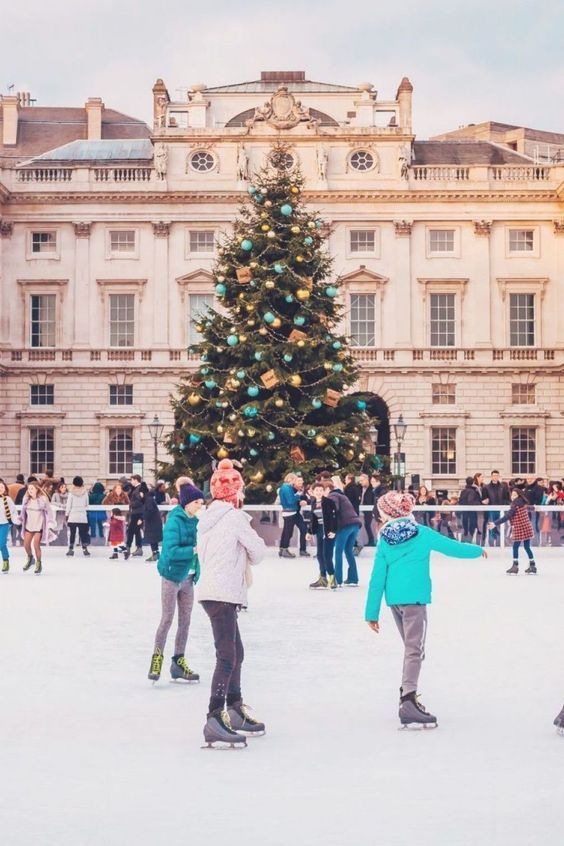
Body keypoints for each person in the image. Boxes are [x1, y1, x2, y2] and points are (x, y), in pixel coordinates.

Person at [365, 490, 485, 729]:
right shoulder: (421, 533)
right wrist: (476, 550)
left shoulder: (384, 538)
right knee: (414, 650)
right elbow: (452, 547)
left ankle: (406, 694)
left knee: (412, 649)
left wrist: (371, 612)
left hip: (395, 601)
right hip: (414, 600)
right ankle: (408, 700)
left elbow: (377, 577)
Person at [197, 459, 267, 748]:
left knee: (237, 651)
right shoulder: (235, 517)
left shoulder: (207, 518)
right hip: (224, 592)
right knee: (227, 656)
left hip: (212, 591)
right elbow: (259, 552)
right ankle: (215, 716)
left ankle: (236, 708)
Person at [148, 483, 205, 684]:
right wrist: (194, 551)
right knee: (167, 619)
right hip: (172, 577)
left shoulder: (196, 521)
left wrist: (197, 566)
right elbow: (171, 551)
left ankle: (178, 662)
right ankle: (157, 659)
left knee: (185, 621)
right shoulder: (174, 521)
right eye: (197, 502)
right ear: (187, 503)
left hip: (188, 579)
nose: (200, 505)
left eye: (201, 502)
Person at [489, 488, 536, 574]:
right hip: (527, 527)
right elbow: (530, 507)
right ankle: (532, 565)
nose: (512, 496)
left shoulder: (514, 505)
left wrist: (495, 523)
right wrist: (534, 507)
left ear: (518, 495)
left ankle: (515, 566)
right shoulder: (523, 503)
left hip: (519, 528)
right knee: (527, 547)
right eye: (512, 494)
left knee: (515, 547)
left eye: (514, 495)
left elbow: (506, 516)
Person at [324, 484, 362, 586]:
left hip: (345, 526)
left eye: (323, 490)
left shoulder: (332, 495)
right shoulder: (342, 495)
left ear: (328, 489)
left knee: (338, 552)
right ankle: (353, 578)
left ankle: (338, 579)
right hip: (355, 524)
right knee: (348, 551)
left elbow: (334, 508)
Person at [304, 480, 337, 589]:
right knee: (319, 555)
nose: (319, 492)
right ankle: (323, 578)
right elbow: (313, 519)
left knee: (326, 555)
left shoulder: (328, 502)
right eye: (316, 490)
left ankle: (332, 578)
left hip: (328, 531)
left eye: (321, 490)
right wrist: (309, 532)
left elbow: (335, 517)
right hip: (319, 530)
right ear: (312, 492)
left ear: (324, 491)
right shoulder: (313, 502)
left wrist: (333, 531)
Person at [20, 480, 57, 574]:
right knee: (26, 544)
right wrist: (20, 519)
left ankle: (38, 563)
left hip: (39, 526)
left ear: (37, 489)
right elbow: (23, 512)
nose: (30, 490)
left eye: (32, 488)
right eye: (29, 489)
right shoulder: (26, 499)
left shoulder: (43, 499)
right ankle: (30, 558)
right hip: (29, 525)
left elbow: (49, 511)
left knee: (36, 545)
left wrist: (51, 522)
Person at [277, 473, 303, 559]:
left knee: (286, 531)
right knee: (288, 532)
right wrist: (298, 495)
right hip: (290, 512)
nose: (295, 482)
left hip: (287, 512)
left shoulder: (283, 488)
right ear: (290, 479)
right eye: (294, 480)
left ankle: (282, 549)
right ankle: (285, 549)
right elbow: (291, 500)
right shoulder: (287, 488)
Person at [65, 476, 91, 557]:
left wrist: (67, 514)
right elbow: (87, 504)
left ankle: (71, 549)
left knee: (72, 533)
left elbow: (68, 505)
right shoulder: (85, 492)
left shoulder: (71, 493)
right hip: (82, 515)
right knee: (82, 533)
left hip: (73, 514)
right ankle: (84, 549)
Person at [0, 479, 20, 573]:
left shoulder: (7, 499)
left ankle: (5, 561)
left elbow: (13, 512)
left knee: (2, 543)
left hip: (4, 524)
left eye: (2, 487)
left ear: (5, 489)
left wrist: (16, 520)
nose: (0, 489)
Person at [485, 470, 510, 546]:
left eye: (497, 475)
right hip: (491, 510)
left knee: (501, 526)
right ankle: (491, 543)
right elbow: (484, 498)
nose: (495, 477)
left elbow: (507, 499)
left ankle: (500, 543)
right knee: (491, 526)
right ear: (491, 476)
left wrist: (504, 505)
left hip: (501, 510)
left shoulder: (503, 487)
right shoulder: (486, 487)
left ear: (499, 476)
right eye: (494, 475)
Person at [124, 475, 145, 559]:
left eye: (132, 480)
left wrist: (131, 504)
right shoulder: (136, 488)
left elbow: (140, 501)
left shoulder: (139, 488)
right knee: (135, 530)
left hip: (137, 513)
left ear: (136, 480)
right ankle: (138, 548)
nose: (131, 481)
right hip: (136, 512)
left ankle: (128, 547)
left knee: (131, 530)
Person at [143, 484, 163, 562]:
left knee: (152, 538)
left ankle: (155, 554)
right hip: (154, 522)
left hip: (153, 522)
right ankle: (156, 553)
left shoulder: (148, 499)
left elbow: (150, 510)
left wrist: (144, 517)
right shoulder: (150, 498)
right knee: (153, 538)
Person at [458, 477, 481, 542]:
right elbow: (470, 501)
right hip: (471, 513)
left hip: (464, 512)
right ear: (473, 482)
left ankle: (464, 542)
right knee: (471, 528)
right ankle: (469, 542)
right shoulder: (472, 491)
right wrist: (479, 503)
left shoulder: (463, 491)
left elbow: (460, 501)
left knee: (465, 528)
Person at [359, 473, 376, 546]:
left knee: (368, 525)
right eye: (360, 481)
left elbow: (372, 500)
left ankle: (371, 540)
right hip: (363, 510)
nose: (361, 482)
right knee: (366, 525)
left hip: (369, 510)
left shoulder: (371, 489)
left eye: (362, 480)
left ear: (367, 480)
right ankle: (370, 540)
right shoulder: (360, 488)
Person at [51, 481, 69, 546]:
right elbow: (52, 502)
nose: (64, 488)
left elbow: (69, 504)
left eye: (65, 487)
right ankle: (54, 544)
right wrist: (61, 505)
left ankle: (64, 545)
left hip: (65, 517)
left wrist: (65, 506)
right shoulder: (55, 495)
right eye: (62, 487)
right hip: (57, 517)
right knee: (55, 531)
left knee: (64, 533)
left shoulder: (68, 495)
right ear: (59, 488)